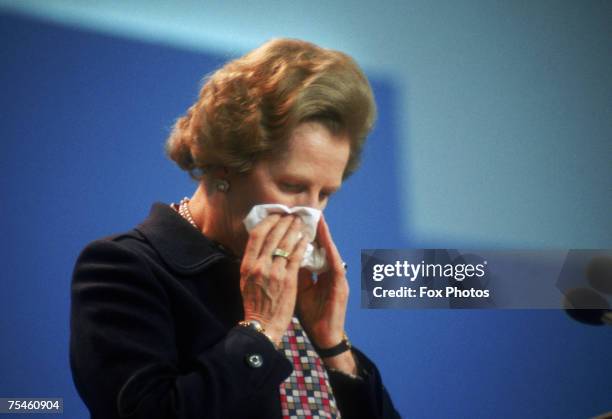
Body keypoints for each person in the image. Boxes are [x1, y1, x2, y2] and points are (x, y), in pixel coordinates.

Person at [70, 38, 399, 419]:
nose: (309, 213)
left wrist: (332, 346)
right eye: (292, 186)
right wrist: (260, 330)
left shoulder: (294, 287)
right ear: (226, 164)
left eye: (325, 193)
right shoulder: (122, 268)